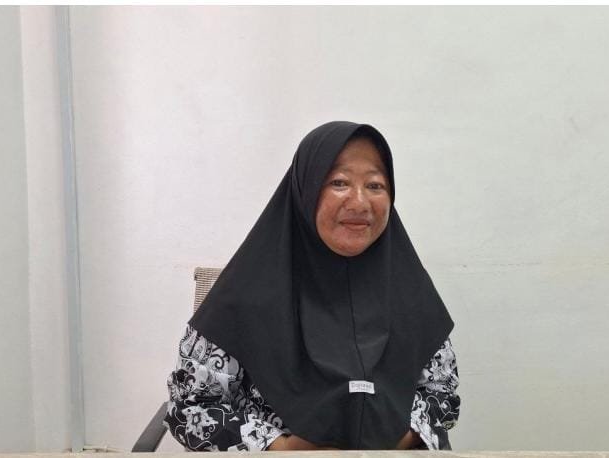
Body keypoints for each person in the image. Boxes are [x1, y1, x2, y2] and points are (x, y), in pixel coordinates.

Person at [164, 121, 460, 451]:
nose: (359, 202)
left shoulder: (409, 293)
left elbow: (443, 397)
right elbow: (190, 409)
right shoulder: (245, 295)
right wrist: (284, 449)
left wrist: (395, 443)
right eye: (339, 182)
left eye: (375, 185)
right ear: (306, 189)